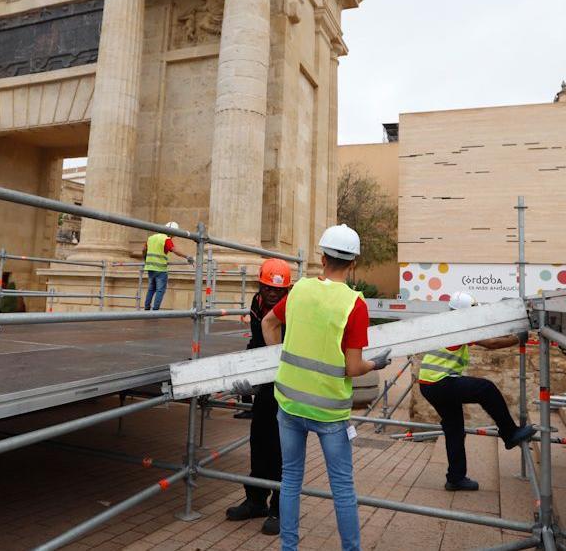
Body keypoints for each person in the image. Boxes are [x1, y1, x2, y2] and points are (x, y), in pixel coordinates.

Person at [261, 224, 390, 551]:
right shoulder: (354, 305)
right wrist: (377, 364)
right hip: (329, 413)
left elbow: (268, 323)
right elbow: (353, 367)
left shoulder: (299, 290)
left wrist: (282, 359)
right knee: (343, 488)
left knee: (290, 481)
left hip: (288, 404)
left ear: (321, 257)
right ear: (353, 264)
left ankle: (288, 548)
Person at [417, 293, 537, 491]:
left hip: (430, 384)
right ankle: (510, 433)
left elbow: (489, 336)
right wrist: (518, 338)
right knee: (485, 388)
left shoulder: (450, 323)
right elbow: (492, 343)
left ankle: (455, 478)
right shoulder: (460, 326)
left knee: (454, 430)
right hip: (439, 383)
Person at [224, 259, 293, 535]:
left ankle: (279, 509)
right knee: (259, 442)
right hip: (266, 385)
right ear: (260, 285)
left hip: (288, 386)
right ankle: (256, 500)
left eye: (278, 290)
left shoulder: (293, 308)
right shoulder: (256, 303)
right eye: (267, 288)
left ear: (286, 290)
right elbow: (255, 343)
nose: (272, 294)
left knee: (281, 449)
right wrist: (247, 375)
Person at [142, 222, 191, 311]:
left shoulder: (151, 238)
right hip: (160, 268)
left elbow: (144, 250)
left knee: (151, 289)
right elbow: (174, 250)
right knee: (160, 290)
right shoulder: (166, 239)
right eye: (174, 234)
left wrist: (146, 260)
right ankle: (155, 310)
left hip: (150, 267)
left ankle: (146, 308)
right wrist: (187, 256)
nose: (173, 237)